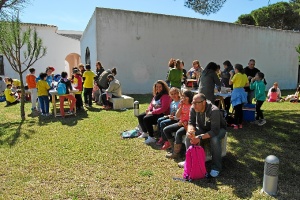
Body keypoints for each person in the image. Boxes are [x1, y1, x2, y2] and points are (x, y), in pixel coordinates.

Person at [183, 93, 227, 178]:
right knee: (189, 136)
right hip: (203, 128)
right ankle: (190, 161)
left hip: (219, 129)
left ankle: (216, 167)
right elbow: (191, 123)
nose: (193, 105)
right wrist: (190, 130)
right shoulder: (193, 108)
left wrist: (199, 137)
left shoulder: (214, 111)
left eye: (196, 103)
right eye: (192, 102)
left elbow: (214, 131)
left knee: (214, 139)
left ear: (204, 102)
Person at [137, 80, 172, 144]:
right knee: (140, 116)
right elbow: (151, 104)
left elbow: (163, 108)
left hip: (162, 114)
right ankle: (145, 132)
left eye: (160, 87)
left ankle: (151, 137)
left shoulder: (165, 96)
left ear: (163, 87)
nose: (158, 88)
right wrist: (149, 109)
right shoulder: (156, 95)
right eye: (157, 87)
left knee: (146, 119)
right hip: (154, 112)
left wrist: (152, 112)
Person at [164, 90, 193, 159]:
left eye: (185, 96)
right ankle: (174, 149)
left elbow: (192, 119)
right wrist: (181, 106)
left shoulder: (192, 106)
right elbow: (177, 115)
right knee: (166, 129)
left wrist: (185, 122)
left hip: (188, 126)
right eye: (182, 96)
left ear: (189, 97)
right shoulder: (181, 104)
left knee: (179, 133)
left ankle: (176, 153)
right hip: (181, 123)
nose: (183, 98)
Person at [229, 64, 249, 129]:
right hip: (242, 92)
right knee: (240, 109)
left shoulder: (237, 75)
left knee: (237, 109)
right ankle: (240, 123)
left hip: (236, 92)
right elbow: (247, 84)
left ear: (236, 69)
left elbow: (230, 83)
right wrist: (241, 85)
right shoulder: (244, 75)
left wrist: (231, 75)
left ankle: (235, 124)